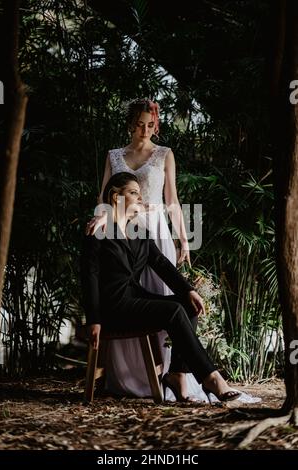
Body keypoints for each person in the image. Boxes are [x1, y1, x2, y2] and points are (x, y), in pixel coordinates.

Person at [80, 172, 241, 403]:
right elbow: (90, 277)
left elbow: (162, 265)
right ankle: (212, 378)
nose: (140, 198)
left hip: (134, 301)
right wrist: (94, 319)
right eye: (134, 193)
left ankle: (177, 374)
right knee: (173, 311)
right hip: (113, 308)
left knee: (186, 304)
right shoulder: (97, 233)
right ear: (116, 197)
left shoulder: (140, 234)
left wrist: (188, 290)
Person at [86, 98, 197, 401]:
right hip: (123, 230)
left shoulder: (164, 154)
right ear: (130, 123)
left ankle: (172, 375)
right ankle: (133, 379)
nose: (145, 129)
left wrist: (184, 239)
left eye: (151, 124)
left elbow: (172, 200)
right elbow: (104, 193)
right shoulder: (114, 155)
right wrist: (99, 218)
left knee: (162, 299)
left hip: (156, 232)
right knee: (130, 299)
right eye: (139, 123)